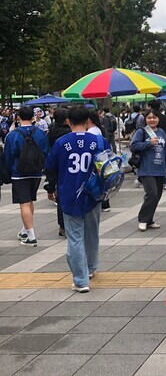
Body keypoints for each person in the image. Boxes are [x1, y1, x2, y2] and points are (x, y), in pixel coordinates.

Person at [44, 106, 110, 293]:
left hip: (69, 193)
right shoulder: (98, 140)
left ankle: (80, 280)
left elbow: (50, 166)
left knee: (75, 237)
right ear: (88, 119)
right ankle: (90, 267)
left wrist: (51, 188)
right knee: (92, 232)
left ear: (68, 121)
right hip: (93, 193)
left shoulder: (61, 142)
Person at [3, 106, 49, 247]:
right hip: (36, 172)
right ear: (33, 116)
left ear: (18, 117)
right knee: (29, 201)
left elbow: (8, 156)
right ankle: (25, 230)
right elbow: (46, 152)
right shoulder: (41, 134)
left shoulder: (12, 135)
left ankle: (31, 236)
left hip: (19, 172)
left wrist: (7, 172)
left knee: (24, 203)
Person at [130, 109, 166, 232]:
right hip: (146, 168)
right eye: (149, 118)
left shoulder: (161, 132)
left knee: (157, 195)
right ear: (145, 120)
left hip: (160, 169)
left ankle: (149, 219)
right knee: (152, 193)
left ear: (158, 119)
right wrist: (148, 143)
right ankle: (143, 219)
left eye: (154, 117)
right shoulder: (142, 131)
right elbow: (134, 145)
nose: (152, 120)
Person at [47, 108, 71, 237]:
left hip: (56, 167)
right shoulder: (68, 133)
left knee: (60, 197)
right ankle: (69, 224)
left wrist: (50, 186)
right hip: (68, 166)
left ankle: (62, 226)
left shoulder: (51, 131)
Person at [148, 99, 166, 189]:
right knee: (163, 160)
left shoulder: (148, 119)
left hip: (152, 143)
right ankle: (165, 181)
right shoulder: (165, 118)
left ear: (150, 107)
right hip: (165, 141)